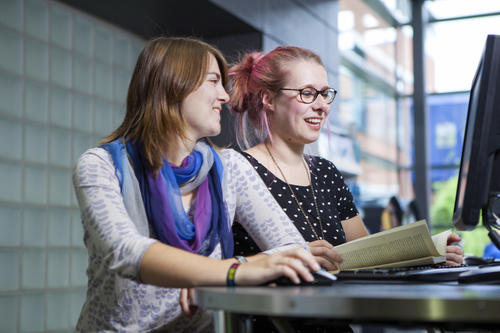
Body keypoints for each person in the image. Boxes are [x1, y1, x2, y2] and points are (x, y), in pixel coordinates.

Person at [72, 37, 321, 332]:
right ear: (174, 84)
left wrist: (221, 271)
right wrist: (225, 273)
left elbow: (293, 247)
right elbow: (126, 252)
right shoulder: (101, 166)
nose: (225, 97)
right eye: (214, 81)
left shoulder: (230, 167)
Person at [228, 46, 464, 268]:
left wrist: (428, 254)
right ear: (268, 99)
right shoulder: (238, 170)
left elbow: (367, 253)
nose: (322, 106)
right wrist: (281, 258)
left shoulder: (325, 172)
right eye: (308, 93)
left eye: (325, 94)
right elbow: (211, 263)